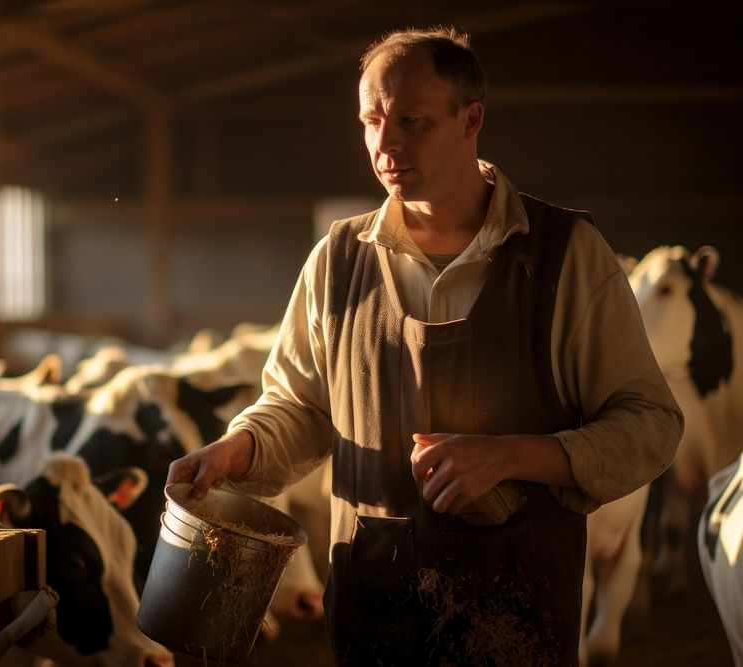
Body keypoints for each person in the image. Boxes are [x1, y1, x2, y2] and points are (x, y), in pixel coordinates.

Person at [167, 25, 682, 666]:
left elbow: (651, 424)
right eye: (371, 120)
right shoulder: (338, 259)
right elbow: (298, 406)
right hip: (372, 613)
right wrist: (237, 448)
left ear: (472, 119)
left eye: (411, 120)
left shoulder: (564, 256)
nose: (385, 145)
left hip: (516, 615)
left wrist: (514, 456)